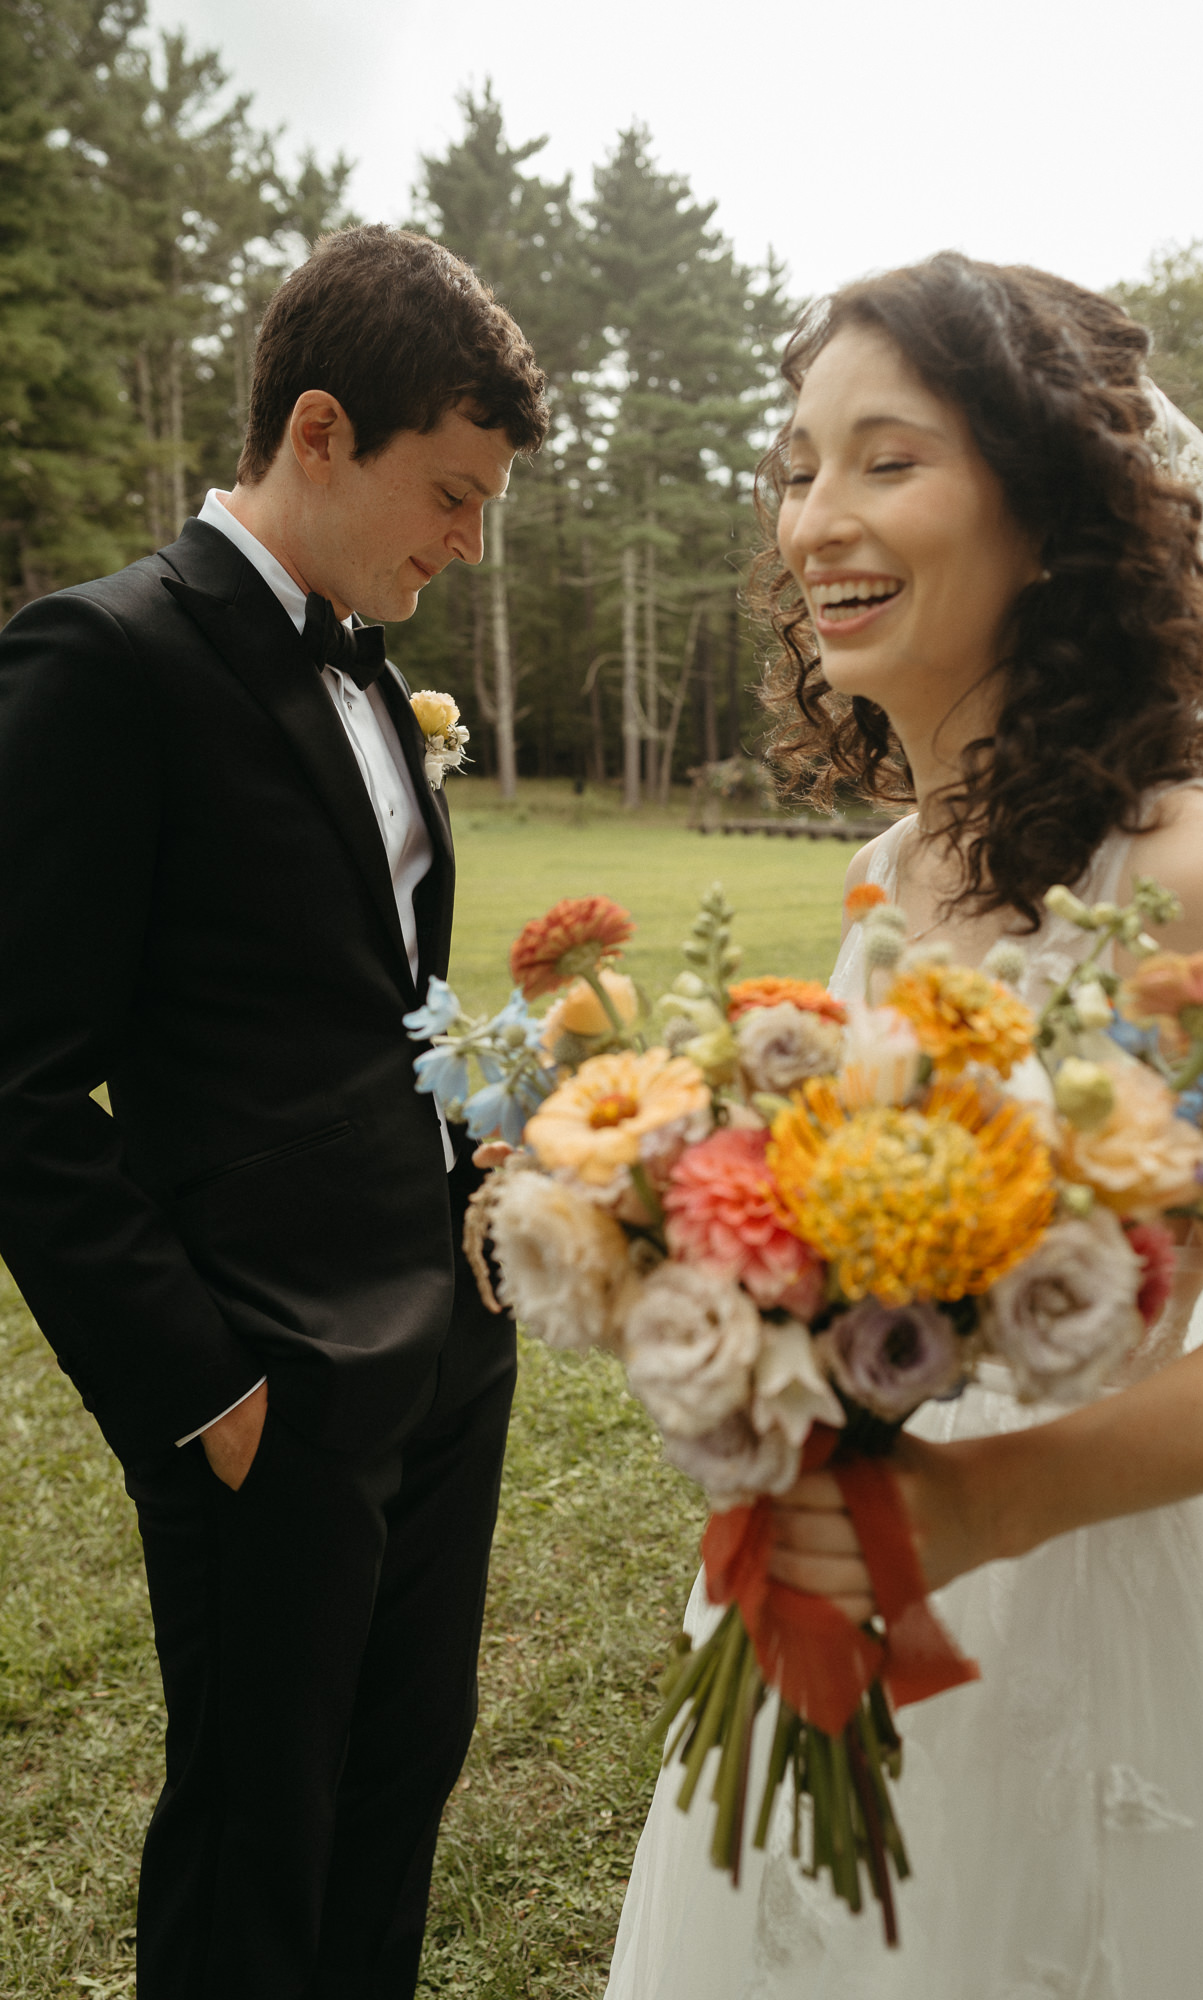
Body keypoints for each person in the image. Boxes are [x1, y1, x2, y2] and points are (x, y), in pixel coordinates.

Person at [605, 254, 1203, 1998]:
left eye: (885, 458)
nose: (813, 522)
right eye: (795, 468)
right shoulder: (884, 875)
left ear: (1048, 508)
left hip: (1089, 1609)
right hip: (835, 1592)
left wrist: (987, 1505)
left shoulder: (1195, 871)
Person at [0, 224, 548, 1999]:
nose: (466, 542)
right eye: (450, 495)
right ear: (319, 430)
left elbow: (370, 998)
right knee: (258, 1841)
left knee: (399, 1795)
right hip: (271, 1396)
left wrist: (493, 1143)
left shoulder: (378, 672)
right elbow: (14, 1081)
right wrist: (206, 1393)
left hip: (449, 1350)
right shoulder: (102, 662)